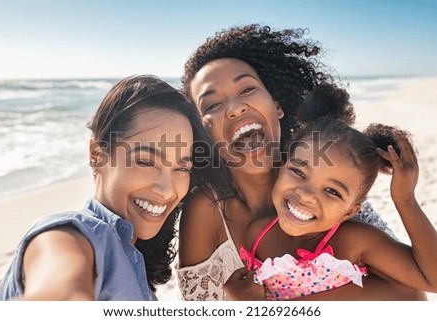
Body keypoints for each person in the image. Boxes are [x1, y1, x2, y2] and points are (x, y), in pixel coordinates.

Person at [176, 24, 425, 300]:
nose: (235, 108)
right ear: (202, 133)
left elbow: (413, 294)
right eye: (211, 105)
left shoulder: (332, 184)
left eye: (246, 88)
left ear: (277, 105)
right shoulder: (206, 211)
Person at [0, 75, 229, 300]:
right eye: (146, 162)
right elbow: (59, 277)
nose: (167, 191)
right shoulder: (72, 236)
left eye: (181, 168)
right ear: (97, 155)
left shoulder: (132, 258)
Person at [239, 84, 437, 300]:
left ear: (350, 211)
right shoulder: (257, 233)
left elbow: (431, 281)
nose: (306, 194)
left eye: (332, 191)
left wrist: (405, 200)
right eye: (298, 171)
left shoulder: (355, 241)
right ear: (281, 166)